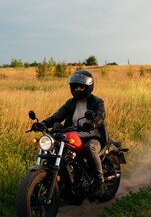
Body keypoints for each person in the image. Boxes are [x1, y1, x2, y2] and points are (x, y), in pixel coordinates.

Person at [39, 70, 107, 199]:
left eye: (81, 86)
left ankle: (100, 183)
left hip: (93, 136)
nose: (77, 89)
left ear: (88, 87)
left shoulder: (97, 102)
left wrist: (93, 124)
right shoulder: (70, 103)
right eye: (75, 86)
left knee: (89, 148)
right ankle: (65, 182)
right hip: (73, 136)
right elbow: (57, 116)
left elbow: (101, 116)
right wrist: (43, 123)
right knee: (58, 148)